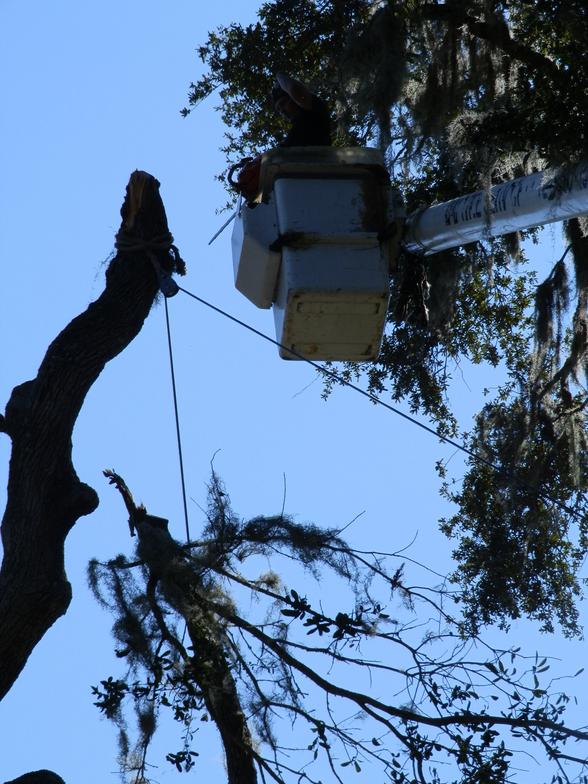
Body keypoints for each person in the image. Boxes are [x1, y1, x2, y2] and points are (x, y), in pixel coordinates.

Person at [235, 72, 332, 201]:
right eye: (279, 110)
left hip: (318, 176)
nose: (283, 112)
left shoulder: (314, 111)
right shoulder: (294, 134)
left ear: (291, 97)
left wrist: (278, 75)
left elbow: (296, 91)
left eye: (283, 104)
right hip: (300, 186)